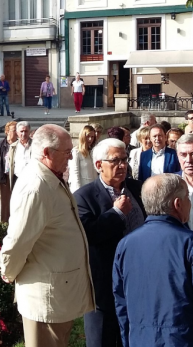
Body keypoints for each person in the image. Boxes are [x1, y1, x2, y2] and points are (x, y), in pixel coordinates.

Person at [0, 124, 94, 347]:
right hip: (44, 297)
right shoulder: (36, 186)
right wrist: (8, 270)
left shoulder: (49, 176)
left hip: (55, 292)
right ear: (46, 153)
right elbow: (18, 240)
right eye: (66, 152)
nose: (71, 158)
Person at [113, 174, 193, 347]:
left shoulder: (125, 245)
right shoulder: (192, 243)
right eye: (188, 198)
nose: (190, 204)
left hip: (140, 340)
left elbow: (121, 304)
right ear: (177, 204)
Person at [74, 138, 146, 347]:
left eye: (124, 160)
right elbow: (90, 235)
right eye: (115, 161)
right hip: (104, 288)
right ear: (99, 165)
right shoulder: (83, 197)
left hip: (138, 283)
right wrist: (116, 214)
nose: (122, 165)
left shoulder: (139, 189)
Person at [0, 121, 18, 223]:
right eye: (14, 130)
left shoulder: (20, 144)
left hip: (17, 177)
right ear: (7, 132)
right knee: (5, 202)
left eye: (17, 130)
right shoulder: (0, 144)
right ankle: (4, 224)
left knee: (17, 202)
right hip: (5, 177)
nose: (16, 132)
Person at [69, 125, 97, 192]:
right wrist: (78, 191)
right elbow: (74, 173)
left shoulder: (92, 151)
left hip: (94, 187)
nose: (90, 139)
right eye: (88, 136)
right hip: (83, 188)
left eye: (92, 137)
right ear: (83, 136)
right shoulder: (76, 152)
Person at [7, 121, 32, 190]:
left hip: (32, 179)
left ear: (29, 132)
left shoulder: (35, 145)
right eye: (21, 131)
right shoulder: (13, 147)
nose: (23, 134)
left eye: (26, 131)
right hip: (17, 179)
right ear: (17, 133)